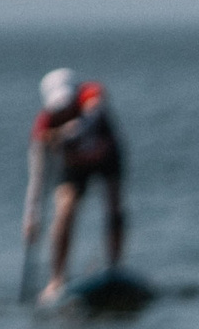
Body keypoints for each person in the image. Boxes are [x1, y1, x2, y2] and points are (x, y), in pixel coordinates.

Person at [23, 68, 126, 304]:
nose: (65, 109)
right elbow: (38, 176)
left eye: (68, 102)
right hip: (74, 164)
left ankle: (115, 266)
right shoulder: (43, 127)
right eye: (59, 106)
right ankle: (57, 279)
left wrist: (70, 132)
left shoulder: (90, 98)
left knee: (114, 204)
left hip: (106, 154)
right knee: (65, 207)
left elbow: (95, 108)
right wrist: (31, 216)